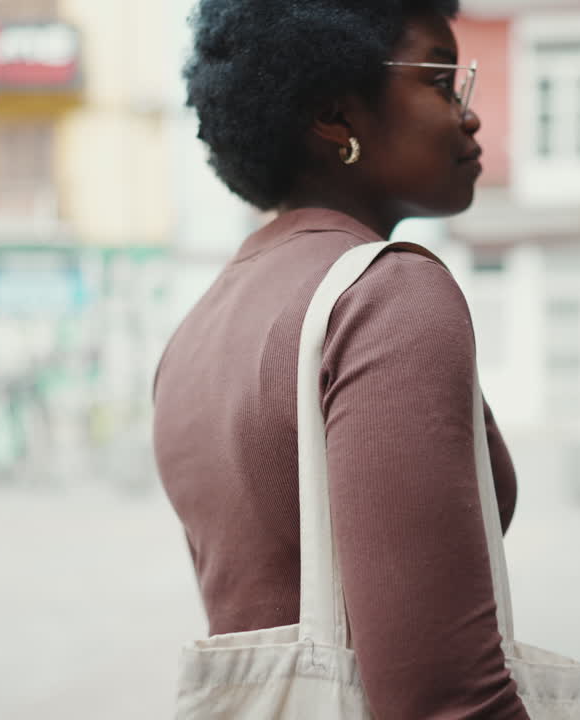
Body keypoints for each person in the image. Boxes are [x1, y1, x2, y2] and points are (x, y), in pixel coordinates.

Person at [152, 0, 530, 717]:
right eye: (442, 81)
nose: (469, 115)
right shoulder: (384, 295)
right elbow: (445, 700)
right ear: (335, 115)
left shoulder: (195, 331)